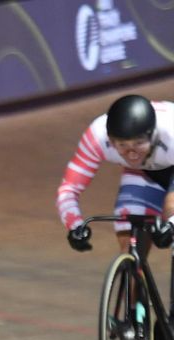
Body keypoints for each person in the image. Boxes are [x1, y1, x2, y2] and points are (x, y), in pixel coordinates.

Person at [57, 94, 174, 254]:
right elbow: (68, 190)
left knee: (171, 209)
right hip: (144, 171)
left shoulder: (170, 133)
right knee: (129, 240)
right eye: (122, 145)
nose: (132, 154)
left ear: (153, 135)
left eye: (139, 143)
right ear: (111, 141)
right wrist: (75, 226)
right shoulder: (97, 137)